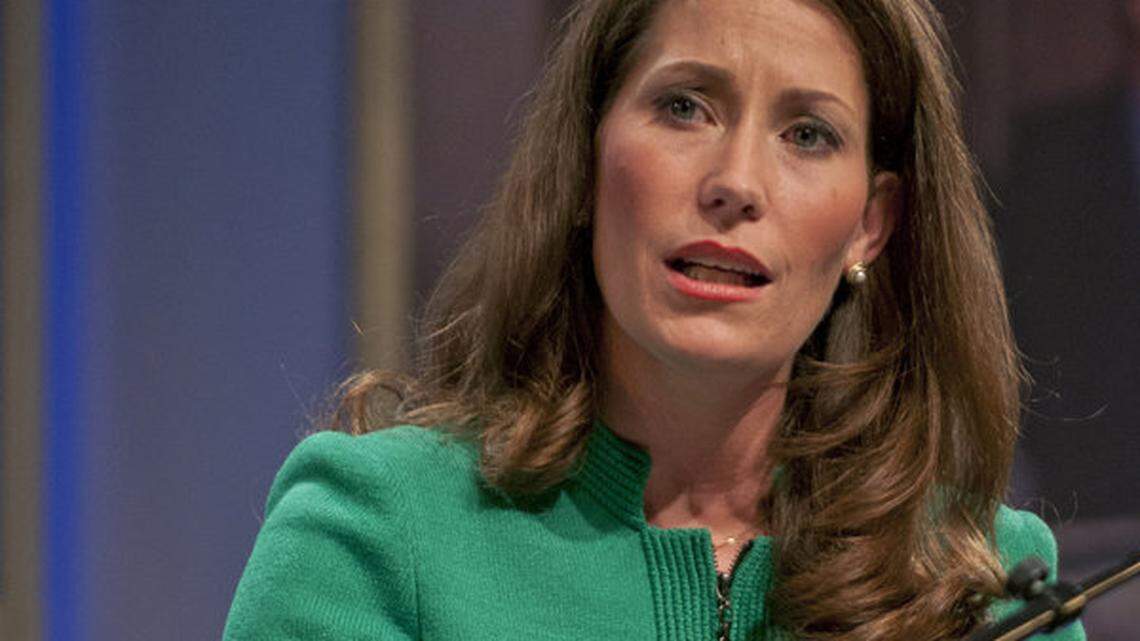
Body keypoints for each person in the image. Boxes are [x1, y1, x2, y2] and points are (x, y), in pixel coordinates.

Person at [224, 1, 1086, 639]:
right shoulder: (375, 531)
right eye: (685, 106)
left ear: (871, 224)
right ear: (588, 155)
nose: (736, 181)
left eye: (808, 134)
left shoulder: (985, 590)